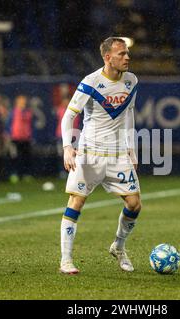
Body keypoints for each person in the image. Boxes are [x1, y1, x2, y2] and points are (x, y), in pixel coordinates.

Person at [59, 37, 141, 274]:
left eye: (127, 53)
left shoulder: (131, 81)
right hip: (90, 154)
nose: (127, 58)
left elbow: (128, 115)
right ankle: (66, 260)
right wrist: (67, 147)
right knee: (76, 202)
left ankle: (118, 246)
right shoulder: (91, 82)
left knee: (134, 204)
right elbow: (69, 116)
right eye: (121, 54)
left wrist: (131, 149)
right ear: (107, 57)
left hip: (117, 156)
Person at [6, 95, 34, 183]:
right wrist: (10, 134)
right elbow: (8, 124)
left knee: (26, 157)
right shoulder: (13, 112)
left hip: (26, 138)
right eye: (21, 101)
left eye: (24, 101)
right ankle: (16, 174)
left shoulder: (28, 112)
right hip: (16, 138)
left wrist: (30, 135)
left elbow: (31, 125)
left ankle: (25, 174)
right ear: (17, 102)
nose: (23, 103)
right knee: (16, 157)